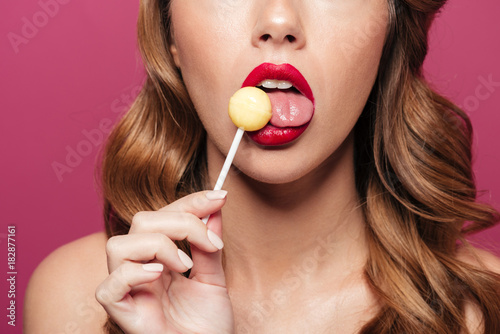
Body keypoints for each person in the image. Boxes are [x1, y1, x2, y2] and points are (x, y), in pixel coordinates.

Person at [24, 0, 500, 333]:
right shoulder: (76, 297)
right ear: (170, 32)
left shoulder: (480, 312)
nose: (277, 20)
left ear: (392, 30)